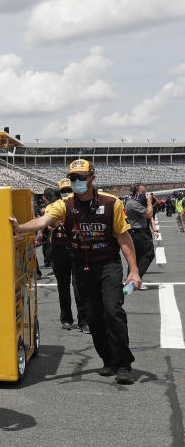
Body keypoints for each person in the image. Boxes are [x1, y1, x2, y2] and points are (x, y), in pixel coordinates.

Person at [10, 159, 140, 384]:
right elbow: (44, 220)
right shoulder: (65, 205)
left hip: (108, 264)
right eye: (73, 178)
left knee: (112, 312)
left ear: (92, 178)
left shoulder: (111, 203)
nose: (77, 182)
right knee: (93, 316)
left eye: (81, 177)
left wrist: (134, 271)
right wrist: (20, 228)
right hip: (82, 266)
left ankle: (124, 363)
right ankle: (108, 360)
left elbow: (123, 236)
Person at [48, 178, 87, 332]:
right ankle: (66, 319)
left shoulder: (79, 205)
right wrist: (57, 221)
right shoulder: (53, 206)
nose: (66, 194)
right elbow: (50, 226)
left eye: (68, 190)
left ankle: (84, 320)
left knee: (80, 286)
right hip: (59, 249)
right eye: (63, 191)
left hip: (77, 249)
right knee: (62, 287)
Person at [124, 183, 158, 283]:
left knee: (137, 257)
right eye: (143, 192)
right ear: (135, 193)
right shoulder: (132, 203)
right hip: (137, 232)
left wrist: (150, 201)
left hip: (137, 232)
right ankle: (136, 277)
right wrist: (148, 201)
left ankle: (132, 279)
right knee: (148, 254)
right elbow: (149, 213)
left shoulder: (135, 202)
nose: (145, 194)